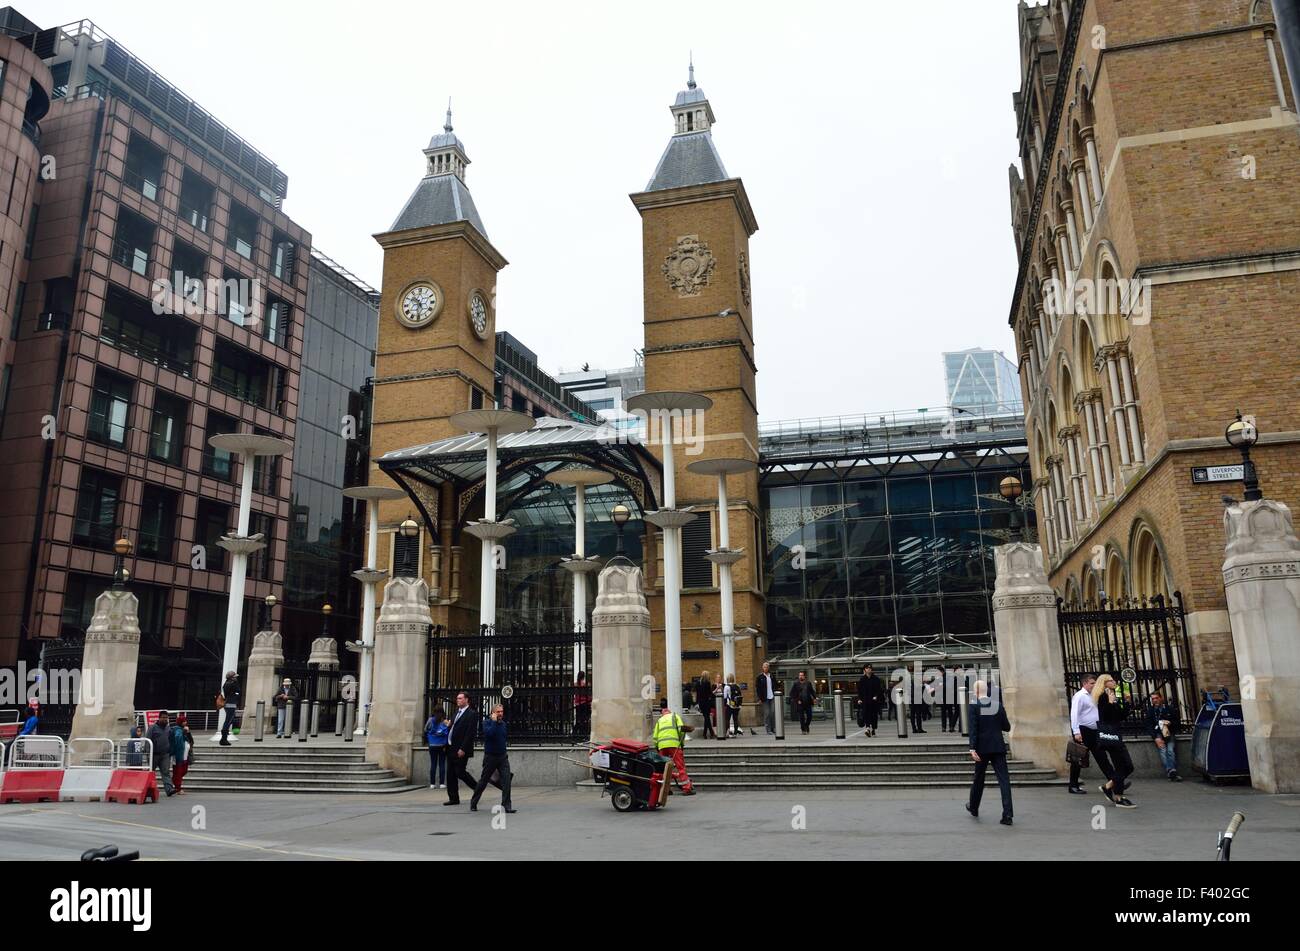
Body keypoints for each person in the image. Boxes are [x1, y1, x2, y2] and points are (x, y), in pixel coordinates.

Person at [965, 680, 1013, 826]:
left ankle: (974, 807)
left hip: (982, 748)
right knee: (1004, 780)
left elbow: (973, 728)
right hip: (998, 747)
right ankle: (1008, 814)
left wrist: (972, 748)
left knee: (979, 778)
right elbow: (1007, 727)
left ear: (976, 692)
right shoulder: (997, 705)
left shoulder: (974, 706)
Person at [444, 692, 499, 806]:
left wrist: (463, 748)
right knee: (450, 774)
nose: (457, 700)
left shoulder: (471, 714)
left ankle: (477, 788)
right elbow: (454, 727)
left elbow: (470, 733)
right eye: (457, 698)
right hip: (451, 747)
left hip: (461, 749)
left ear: (466, 700)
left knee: (460, 772)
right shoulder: (456, 713)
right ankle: (453, 798)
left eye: (460, 698)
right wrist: (449, 725)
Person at [1094, 674, 1136, 807]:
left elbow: (1119, 716)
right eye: (1111, 680)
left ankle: (1109, 786)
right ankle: (1118, 797)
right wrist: (1111, 703)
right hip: (1111, 737)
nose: (1114, 682)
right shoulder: (1103, 697)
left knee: (1127, 766)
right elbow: (1105, 716)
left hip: (1116, 735)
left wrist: (1128, 702)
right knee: (1123, 766)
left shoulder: (1112, 695)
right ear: (1105, 683)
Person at [470, 705, 516, 814]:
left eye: (502, 711)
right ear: (493, 713)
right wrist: (494, 722)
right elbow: (490, 735)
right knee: (483, 781)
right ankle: (474, 802)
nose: (500, 713)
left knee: (506, 781)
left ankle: (506, 805)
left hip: (502, 757)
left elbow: (503, 738)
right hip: (490, 757)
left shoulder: (504, 724)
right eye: (498, 712)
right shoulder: (486, 723)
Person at [652, 699, 695, 795]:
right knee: (680, 767)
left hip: (662, 746)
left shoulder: (660, 720)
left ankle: (666, 789)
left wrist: (657, 747)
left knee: (663, 768)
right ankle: (686, 788)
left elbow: (655, 737)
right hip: (674, 745)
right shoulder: (675, 716)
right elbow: (681, 730)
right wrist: (681, 745)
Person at [1146, 691, 1182, 782]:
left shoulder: (1169, 708)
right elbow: (1148, 725)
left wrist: (1170, 723)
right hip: (1158, 733)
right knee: (1163, 750)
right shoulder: (1151, 710)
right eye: (1153, 699)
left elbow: (1177, 722)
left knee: (1170, 750)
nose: (1154, 700)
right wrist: (1155, 737)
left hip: (1169, 733)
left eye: (1156, 698)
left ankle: (1171, 771)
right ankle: (1171, 770)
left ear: (1161, 698)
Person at [146, 711, 177, 797]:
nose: (164, 719)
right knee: (151, 772)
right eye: (163, 717)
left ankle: (169, 789)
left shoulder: (168, 728)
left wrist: (170, 750)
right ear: (159, 718)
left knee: (166, 772)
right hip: (154, 754)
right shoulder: (152, 728)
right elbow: (147, 740)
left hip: (165, 755)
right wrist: (148, 753)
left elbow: (171, 739)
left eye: (166, 718)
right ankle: (147, 789)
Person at [424, 706, 450, 789]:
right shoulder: (444, 721)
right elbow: (448, 731)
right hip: (442, 745)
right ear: (443, 712)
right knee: (442, 764)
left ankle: (432, 784)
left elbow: (425, 729)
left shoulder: (430, 720)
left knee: (433, 764)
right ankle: (442, 783)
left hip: (432, 745)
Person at [856, 664, 883, 736]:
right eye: (867, 668)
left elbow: (879, 689)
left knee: (874, 715)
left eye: (870, 668)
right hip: (865, 700)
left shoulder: (876, 679)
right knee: (866, 714)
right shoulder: (862, 679)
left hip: (874, 701)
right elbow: (859, 690)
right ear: (864, 670)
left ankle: (873, 729)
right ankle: (867, 728)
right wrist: (859, 699)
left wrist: (876, 696)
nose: (869, 669)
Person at [170, 714, 194, 795]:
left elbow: (191, 741)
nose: (185, 722)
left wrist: (188, 732)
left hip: (185, 755)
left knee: (184, 770)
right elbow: (178, 739)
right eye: (183, 721)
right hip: (178, 755)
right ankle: (178, 788)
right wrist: (184, 732)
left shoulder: (184, 730)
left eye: (185, 721)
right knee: (178, 771)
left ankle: (174, 781)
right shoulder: (177, 730)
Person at [218, 671, 240, 746]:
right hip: (231, 703)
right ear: (232, 677)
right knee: (228, 721)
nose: (236, 678)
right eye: (235, 677)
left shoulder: (225, 684)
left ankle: (224, 737)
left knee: (228, 720)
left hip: (226, 703)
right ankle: (223, 739)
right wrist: (236, 695)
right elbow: (238, 692)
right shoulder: (234, 684)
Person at [756, 662, 777, 734]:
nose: (765, 668)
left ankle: (773, 728)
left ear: (768, 668)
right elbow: (758, 689)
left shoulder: (772, 676)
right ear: (762, 668)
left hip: (772, 696)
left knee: (773, 712)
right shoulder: (760, 677)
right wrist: (759, 698)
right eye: (764, 667)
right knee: (767, 713)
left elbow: (775, 685)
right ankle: (768, 729)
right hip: (765, 698)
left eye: (767, 667)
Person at [940, 666, 961, 733]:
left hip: (949, 696)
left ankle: (950, 726)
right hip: (948, 696)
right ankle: (949, 727)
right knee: (951, 712)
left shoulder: (949, 677)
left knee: (951, 712)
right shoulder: (950, 678)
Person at [695, 671, 715, 739]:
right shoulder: (707, 683)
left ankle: (705, 733)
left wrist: (697, 702)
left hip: (701, 702)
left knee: (706, 717)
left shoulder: (698, 683)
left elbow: (697, 694)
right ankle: (711, 732)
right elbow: (710, 694)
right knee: (707, 717)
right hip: (707, 702)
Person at [723, 673, 743, 738]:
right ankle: (735, 733)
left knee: (727, 719)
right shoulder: (737, 686)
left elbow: (725, 696)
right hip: (737, 705)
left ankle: (726, 732)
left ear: (727, 679)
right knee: (735, 719)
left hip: (730, 705)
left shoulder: (727, 686)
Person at [573, 672, 591, 740]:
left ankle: (575, 733)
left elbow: (576, 695)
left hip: (578, 704)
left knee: (578, 719)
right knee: (584, 719)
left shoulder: (575, 684)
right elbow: (588, 695)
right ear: (584, 676)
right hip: (584, 703)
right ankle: (583, 734)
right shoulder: (585, 684)